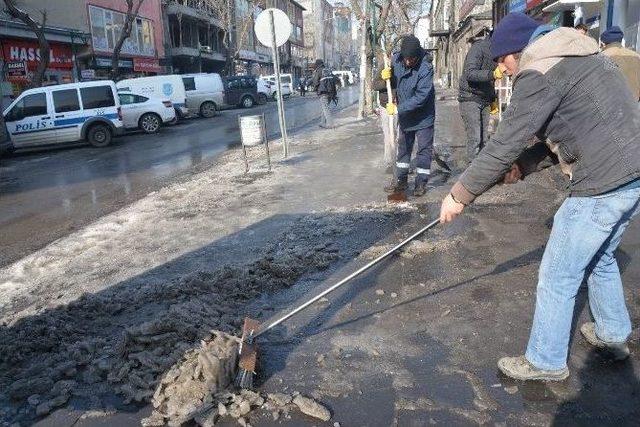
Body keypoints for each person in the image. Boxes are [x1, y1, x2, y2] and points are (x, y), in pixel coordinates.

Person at [439, 12, 640, 381]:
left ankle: (545, 361)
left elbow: (504, 142)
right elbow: (570, 132)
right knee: (602, 256)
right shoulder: (581, 56)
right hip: (632, 174)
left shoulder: (539, 70)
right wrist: (522, 168)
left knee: (557, 273)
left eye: (503, 60)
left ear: (518, 50)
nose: (502, 69)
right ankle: (612, 334)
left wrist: (459, 193)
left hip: (601, 180)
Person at [381, 35, 436, 197]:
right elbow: (384, 82)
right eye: (406, 58)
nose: (408, 62)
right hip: (406, 116)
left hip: (423, 115)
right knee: (403, 149)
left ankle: (421, 183)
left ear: (417, 55)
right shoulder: (397, 59)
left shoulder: (425, 68)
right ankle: (401, 180)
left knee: (424, 150)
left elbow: (421, 96)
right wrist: (385, 75)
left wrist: (398, 109)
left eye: (411, 59)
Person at [458, 31, 500, 162]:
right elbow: (470, 73)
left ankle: (481, 171)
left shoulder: (496, 52)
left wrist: (493, 99)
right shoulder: (478, 48)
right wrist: (492, 74)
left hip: (484, 99)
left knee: (484, 139)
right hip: (470, 96)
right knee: (475, 138)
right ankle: (471, 174)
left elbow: (490, 82)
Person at [600, 26, 640, 101]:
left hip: (611, 104)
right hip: (634, 103)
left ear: (604, 42)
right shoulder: (636, 56)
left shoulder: (601, 56)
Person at [373, 56, 398, 173]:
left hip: (400, 105)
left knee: (400, 136)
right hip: (386, 106)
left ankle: (401, 162)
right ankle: (389, 162)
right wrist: (384, 80)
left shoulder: (403, 65)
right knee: (388, 135)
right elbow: (375, 85)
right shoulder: (384, 66)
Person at [312, 59, 338, 129]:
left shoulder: (319, 71)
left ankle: (330, 124)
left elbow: (316, 82)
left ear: (317, 64)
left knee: (325, 108)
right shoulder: (328, 70)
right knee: (325, 107)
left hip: (323, 92)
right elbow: (336, 79)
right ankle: (322, 122)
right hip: (331, 92)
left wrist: (315, 89)